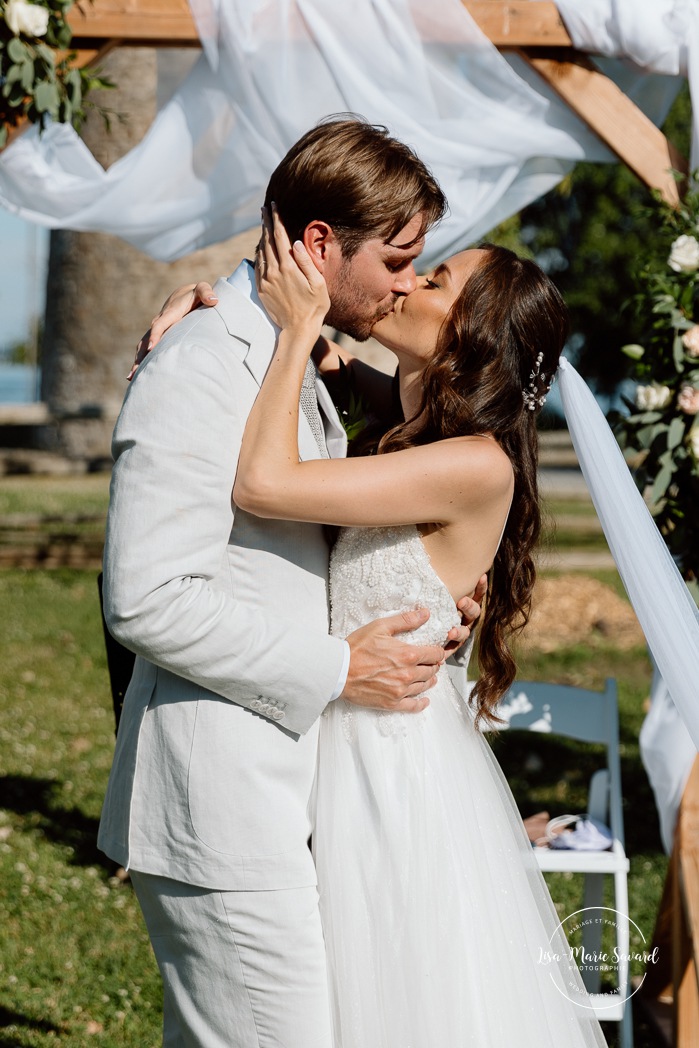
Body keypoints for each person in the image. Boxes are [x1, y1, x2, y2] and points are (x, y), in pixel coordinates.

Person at [150, 209, 607, 1045]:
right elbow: (325, 355)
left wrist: (291, 334)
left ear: (470, 339)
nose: (406, 280)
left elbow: (262, 483)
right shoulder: (410, 428)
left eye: (434, 281)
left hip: (394, 774)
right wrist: (220, 304)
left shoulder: (471, 464)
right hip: (335, 745)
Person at [97, 117, 482, 1048]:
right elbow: (145, 596)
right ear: (318, 244)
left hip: (281, 801)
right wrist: (334, 667)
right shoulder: (201, 363)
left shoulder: (289, 361)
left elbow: (292, 555)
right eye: (396, 259)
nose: (403, 285)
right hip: (219, 804)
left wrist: (425, 606)